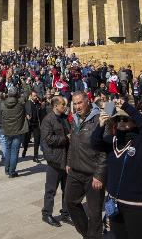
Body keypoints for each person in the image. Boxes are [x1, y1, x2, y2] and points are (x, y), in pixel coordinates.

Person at [92, 98, 142, 239]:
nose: (121, 122)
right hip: (114, 203)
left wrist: (126, 106)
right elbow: (95, 143)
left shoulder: (141, 141)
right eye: (118, 119)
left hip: (136, 205)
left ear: (133, 121)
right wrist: (101, 125)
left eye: (125, 119)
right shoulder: (111, 141)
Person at [64, 91, 106, 239]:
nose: (77, 106)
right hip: (75, 171)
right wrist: (69, 161)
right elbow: (73, 142)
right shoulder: (74, 119)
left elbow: (104, 151)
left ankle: (94, 236)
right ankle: (87, 234)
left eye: (80, 102)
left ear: (87, 101)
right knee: (70, 202)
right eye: (75, 104)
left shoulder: (98, 119)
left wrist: (99, 175)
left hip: (92, 174)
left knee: (95, 212)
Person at [40, 95, 72, 227]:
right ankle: (46, 214)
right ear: (55, 106)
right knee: (51, 189)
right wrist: (65, 138)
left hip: (66, 159)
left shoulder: (64, 118)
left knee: (67, 189)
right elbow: (48, 139)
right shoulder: (48, 120)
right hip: (55, 159)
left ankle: (65, 213)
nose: (65, 106)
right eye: (63, 104)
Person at [1, 86, 28, 178]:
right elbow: (27, 92)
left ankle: (7, 169)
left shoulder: (3, 104)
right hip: (17, 130)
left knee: (8, 150)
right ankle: (12, 172)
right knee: (14, 152)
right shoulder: (20, 103)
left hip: (7, 130)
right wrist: (24, 83)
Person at [23, 90, 43, 163]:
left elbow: (41, 111)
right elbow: (26, 111)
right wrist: (27, 115)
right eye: (34, 96)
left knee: (37, 141)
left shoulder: (38, 103)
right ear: (30, 96)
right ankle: (25, 149)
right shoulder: (27, 103)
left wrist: (39, 102)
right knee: (26, 139)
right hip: (29, 124)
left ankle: (35, 156)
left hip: (36, 124)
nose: (35, 97)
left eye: (36, 96)